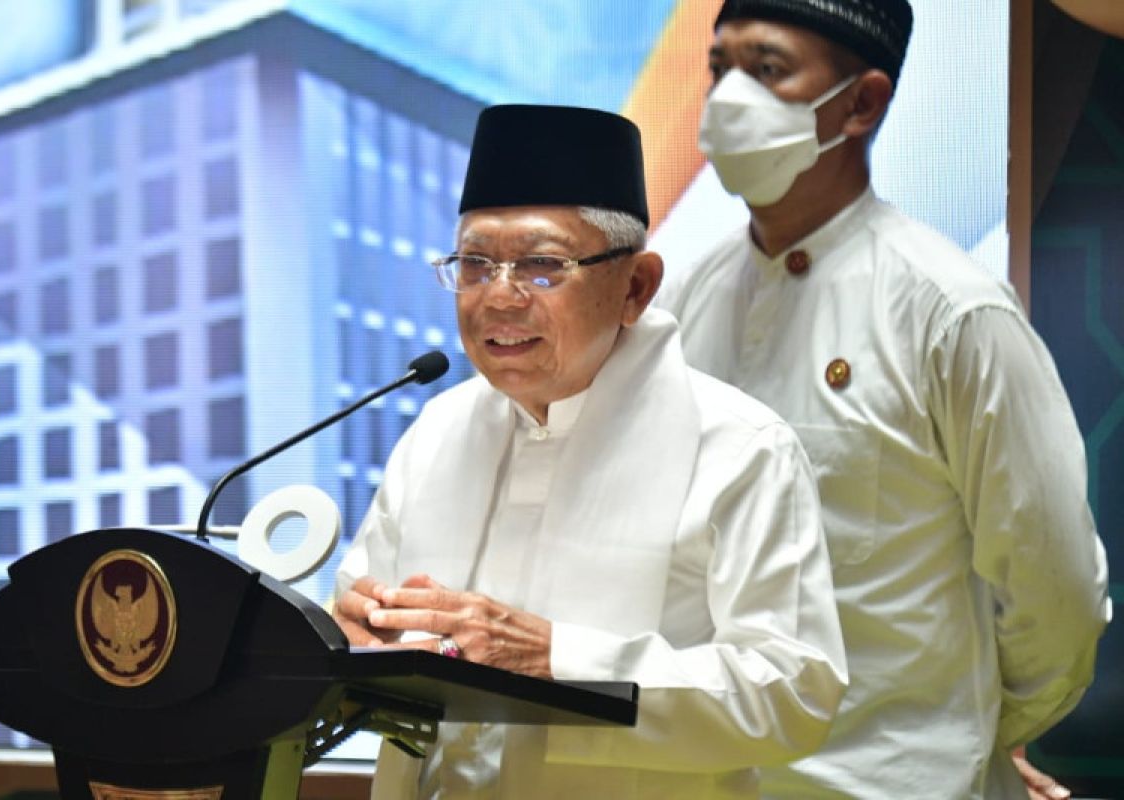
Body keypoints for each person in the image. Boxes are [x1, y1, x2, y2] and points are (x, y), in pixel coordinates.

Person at [658, 1, 1112, 798]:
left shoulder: (951, 313)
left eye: (767, 70)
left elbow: (1057, 591)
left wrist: (978, 730)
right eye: (720, 68)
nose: (729, 98)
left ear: (861, 103)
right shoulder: (687, 303)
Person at [333, 103, 847, 799]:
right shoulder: (437, 430)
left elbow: (793, 693)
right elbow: (365, 622)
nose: (500, 298)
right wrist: (356, 634)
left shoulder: (739, 449)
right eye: (476, 263)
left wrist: (557, 658)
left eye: (543, 266)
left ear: (635, 286)